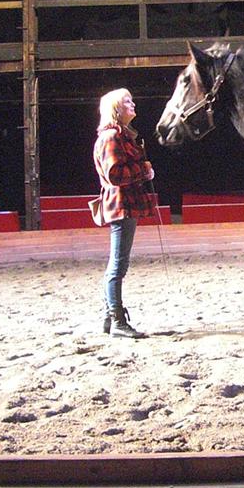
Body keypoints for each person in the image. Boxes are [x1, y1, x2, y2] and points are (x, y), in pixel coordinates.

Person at [92, 88, 156, 339]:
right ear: (116, 109)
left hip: (124, 204)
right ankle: (117, 320)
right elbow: (115, 175)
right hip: (122, 205)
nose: (133, 104)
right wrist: (143, 170)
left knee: (118, 264)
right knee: (118, 265)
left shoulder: (120, 136)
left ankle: (110, 318)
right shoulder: (112, 137)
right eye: (127, 101)